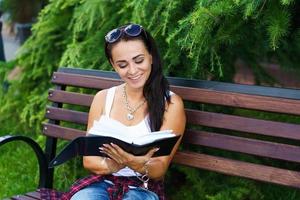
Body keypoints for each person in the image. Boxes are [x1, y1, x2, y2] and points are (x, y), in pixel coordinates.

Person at [41, 23, 186, 200]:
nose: (133, 70)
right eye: (122, 64)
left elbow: (159, 168)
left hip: (143, 187)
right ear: (113, 65)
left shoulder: (170, 103)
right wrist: (113, 165)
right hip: (103, 182)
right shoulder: (103, 98)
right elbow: (89, 160)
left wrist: (131, 162)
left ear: (151, 57)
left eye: (139, 60)